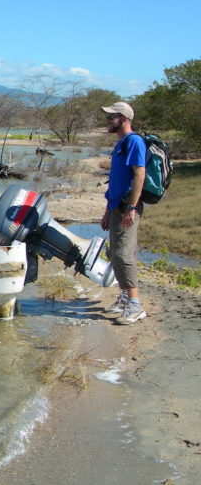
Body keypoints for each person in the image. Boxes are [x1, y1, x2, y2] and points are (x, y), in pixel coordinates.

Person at [100, 101, 147, 325]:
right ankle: (127, 296)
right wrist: (108, 210)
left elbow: (139, 175)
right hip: (116, 207)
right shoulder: (120, 143)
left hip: (128, 207)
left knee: (124, 255)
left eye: (112, 117)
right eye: (108, 117)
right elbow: (115, 181)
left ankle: (135, 305)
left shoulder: (134, 141)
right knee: (115, 253)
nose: (108, 120)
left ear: (124, 119)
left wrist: (131, 207)